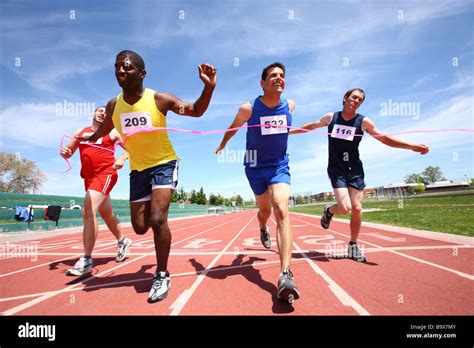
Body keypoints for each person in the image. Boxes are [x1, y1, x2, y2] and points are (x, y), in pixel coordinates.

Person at [76, 50, 217, 303]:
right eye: (117, 67)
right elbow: (105, 129)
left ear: (142, 73)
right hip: (138, 170)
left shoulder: (159, 99)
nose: (121, 71)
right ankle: (153, 214)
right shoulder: (113, 105)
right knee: (141, 227)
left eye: (127, 67)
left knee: (157, 219)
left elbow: (195, 111)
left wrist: (209, 88)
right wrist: (86, 139)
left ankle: (162, 274)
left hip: (163, 163)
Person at [290, 88, 429, 262]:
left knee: (357, 208)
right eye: (354, 97)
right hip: (336, 169)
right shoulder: (331, 117)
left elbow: (385, 139)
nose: (356, 101)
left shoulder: (363, 122)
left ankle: (353, 245)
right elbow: (311, 126)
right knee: (345, 207)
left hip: (355, 170)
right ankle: (329, 210)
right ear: (345, 98)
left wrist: (411, 146)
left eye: (360, 100)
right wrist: (289, 131)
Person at [216, 62, 300, 303]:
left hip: (279, 166)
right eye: (273, 75)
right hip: (254, 167)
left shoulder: (290, 105)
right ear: (262, 83)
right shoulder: (248, 109)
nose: (279, 78)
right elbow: (232, 128)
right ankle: (262, 227)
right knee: (264, 211)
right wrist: (223, 144)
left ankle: (285, 274)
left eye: (282, 75)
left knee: (281, 208)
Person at [60, 106, 132, 276]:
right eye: (100, 111)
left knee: (87, 210)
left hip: (106, 173)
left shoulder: (113, 132)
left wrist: (122, 157)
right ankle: (123, 240)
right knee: (107, 214)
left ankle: (86, 260)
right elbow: (68, 152)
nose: (102, 113)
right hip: (89, 178)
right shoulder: (81, 131)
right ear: (93, 114)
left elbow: (131, 148)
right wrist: (65, 152)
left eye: (106, 113)